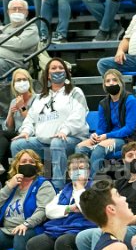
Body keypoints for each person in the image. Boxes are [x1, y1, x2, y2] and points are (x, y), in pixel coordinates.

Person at [11, 58, 89, 188]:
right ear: (48, 74)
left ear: (66, 72)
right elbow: (30, 119)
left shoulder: (75, 92)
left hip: (71, 139)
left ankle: (58, 187)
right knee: (17, 144)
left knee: (56, 142)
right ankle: (23, 185)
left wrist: (64, 131)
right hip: (44, 141)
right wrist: (26, 131)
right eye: (53, 68)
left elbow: (78, 116)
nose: (57, 70)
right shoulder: (41, 97)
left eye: (61, 68)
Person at [26, 152, 95, 250]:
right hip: (60, 228)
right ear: (69, 173)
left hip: (83, 230)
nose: (77, 172)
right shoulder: (65, 189)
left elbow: (86, 209)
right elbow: (49, 210)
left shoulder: (94, 188)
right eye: (74, 169)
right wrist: (69, 208)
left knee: (62, 242)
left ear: (88, 172)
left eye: (81, 168)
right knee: (33, 244)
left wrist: (80, 188)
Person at [0, 148, 56, 250]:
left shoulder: (43, 184)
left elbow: (43, 210)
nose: (27, 164)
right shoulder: (11, 185)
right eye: (24, 161)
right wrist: (8, 186)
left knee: (21, 235)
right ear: (16, 165)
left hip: (34, 229)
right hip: (7, 230)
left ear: (37, 165)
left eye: (31, 162)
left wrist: (26, 224)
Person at [76, 70, 136, 176]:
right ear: (104, 85)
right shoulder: (103, 104)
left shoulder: (130, 100)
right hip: (109, 137)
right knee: (80, 147)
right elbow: (101, 128)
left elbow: (129, 128)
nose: (111, 83)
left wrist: (107, 136)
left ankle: (94, 183)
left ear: (121, 83)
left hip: (128, 138)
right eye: (108, 81)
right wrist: (95, 135)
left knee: (99, 150)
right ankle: (81, 180)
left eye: (114, 80)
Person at [0, 68, 35, 177]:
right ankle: (5, 178)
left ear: (29, 82)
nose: (21, 82)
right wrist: (11, 114)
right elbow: (9, 128)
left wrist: (22, 107)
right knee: (2, 140)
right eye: (18, 80)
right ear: (13, 84)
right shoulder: (13, 101)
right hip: (17, 133)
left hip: (31, 133)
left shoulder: (37, 99)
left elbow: (33, 121)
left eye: (24, 79)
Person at [0, 0, 39, 77]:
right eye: (14, 9)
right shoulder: (5, 28)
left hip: (16, 63)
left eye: (20, 9)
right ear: (8, 12)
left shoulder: (31, 28)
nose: (17, 11)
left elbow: (20, 44)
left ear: (26, 13)